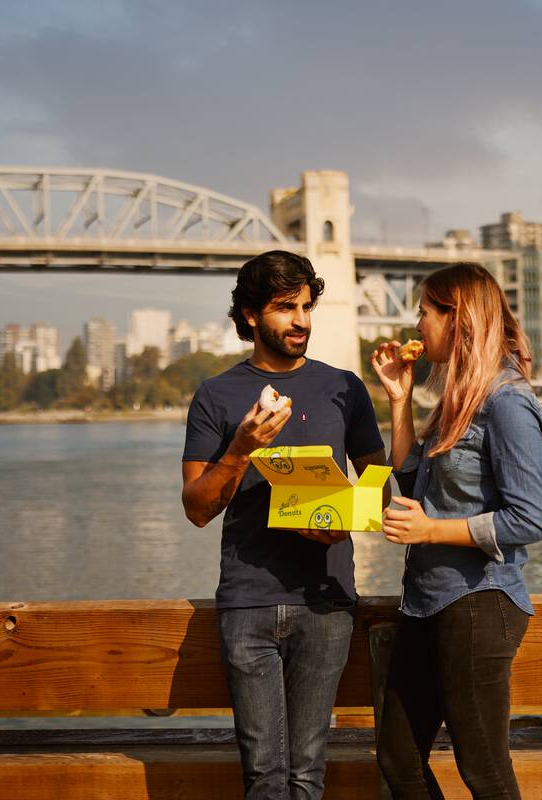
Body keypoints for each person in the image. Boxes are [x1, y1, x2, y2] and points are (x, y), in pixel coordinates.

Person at [181, 250, 388, 800]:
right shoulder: (216, 395)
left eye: (306, 307)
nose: (300, 321)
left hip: (326, 603)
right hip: (247, 602)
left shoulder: (345, 388)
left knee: (307, 773)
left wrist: (344, 522)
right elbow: (197, 508)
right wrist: (241, 448)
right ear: (250, 315)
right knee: (264, 776)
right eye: (284, 307)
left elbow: (380, 490)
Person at [370, 262, 542, 799]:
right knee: (398, 759)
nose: (417, 325)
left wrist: (430, 531)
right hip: (425, 602)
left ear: (458, 318)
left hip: (479, 602)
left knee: (484, 769)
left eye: (425, 312)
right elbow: (409, 483)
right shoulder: (457, 401)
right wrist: (399, 399)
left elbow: (529, 518)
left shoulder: (507, 402)